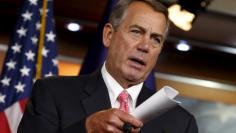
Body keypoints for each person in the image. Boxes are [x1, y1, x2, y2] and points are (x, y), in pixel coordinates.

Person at [18, 0, 198, 133]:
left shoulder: (181, 123)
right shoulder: (52, 93)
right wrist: (86, 128)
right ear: (109, 35)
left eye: (155, 39)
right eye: (136, 32)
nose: (145, 46)